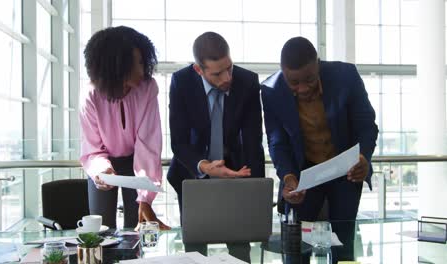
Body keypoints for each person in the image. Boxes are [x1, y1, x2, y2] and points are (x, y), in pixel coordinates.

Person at [261, 36, 378, 261]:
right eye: (293, 82)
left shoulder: (346, 76)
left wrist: (363, 157)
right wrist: (288, 177)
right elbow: (277, 142)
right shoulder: (270, 91)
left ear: (318, 64)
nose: (303, 88)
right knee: (295, 251)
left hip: (346, 172)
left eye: (309, 79)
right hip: (303, 175)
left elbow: (366, 126)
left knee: (343, 249)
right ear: (282, 72)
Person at [167, 31, 265, 263]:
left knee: (240, 249)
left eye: (229, 68)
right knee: (194, 250)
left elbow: (253, 140)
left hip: (236, 173)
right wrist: (206, 167)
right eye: (217, 73)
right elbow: (179, 141)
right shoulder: (181, 82)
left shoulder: (248, 81)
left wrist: (255, 188)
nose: (226, 77)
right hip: (194, 175)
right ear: (199, 70)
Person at [80, 26, 170, 231]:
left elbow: (148, 144)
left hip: (137, 161)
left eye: (142, 61)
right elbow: (92, 149)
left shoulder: (148, 88)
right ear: (116, 65)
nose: (143, 69)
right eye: (136, 63)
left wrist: (145, 197)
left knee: (137, 225)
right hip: (103, 163)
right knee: (100, 228)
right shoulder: (90, 95)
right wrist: (102, 170)